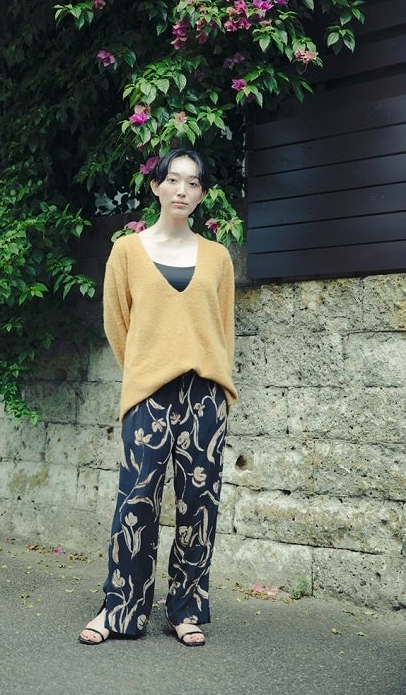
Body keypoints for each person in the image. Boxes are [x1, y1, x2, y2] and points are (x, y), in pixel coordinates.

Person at [78, 149, 238, 647]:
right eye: (172, 179)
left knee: (199, 505)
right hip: (148, 392)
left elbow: (224, 329)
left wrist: (219, 385)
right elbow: (117, 324)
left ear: (202, 194)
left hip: (205, 394)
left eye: (192, 182)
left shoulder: (218, 257)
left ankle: (186, 609)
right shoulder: (127, 251)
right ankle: (120, 608)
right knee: (136, 501)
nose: (181, 190)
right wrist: (144, 371)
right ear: (156, 187)